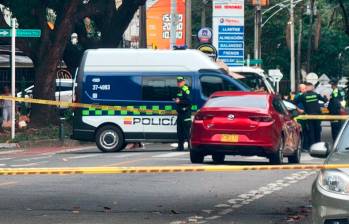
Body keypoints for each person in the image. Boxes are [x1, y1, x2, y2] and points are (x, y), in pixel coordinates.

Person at [295, 82, 327, 149]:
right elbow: (325, 100)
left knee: (311, 132)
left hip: (309, 117)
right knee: (317, 131)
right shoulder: (316, 94)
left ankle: (312, 147)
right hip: (317, 116)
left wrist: (298, 110)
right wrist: (325, 96)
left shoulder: (303, 96)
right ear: (312, 87)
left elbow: (294, 102)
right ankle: (319, 146)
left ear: (306, 88)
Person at [174, 76, 192, 151]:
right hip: (180, 114)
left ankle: (189, 146)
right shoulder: (179, 90)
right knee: (179, 131)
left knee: (186, 131)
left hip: (185, 113)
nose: (179, 83)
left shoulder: (186, 89)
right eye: (178, 82)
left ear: (184, 81)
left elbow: (188, 101)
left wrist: (179, 101)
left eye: (180, 81)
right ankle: (180, 146)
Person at [294, 83, 308, 149]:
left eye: (305, 88)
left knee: (306, 131)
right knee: (299, 132)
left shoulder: (307, 95)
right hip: (299, 115)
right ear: (300, 89)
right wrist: (299, 110)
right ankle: (299, 147)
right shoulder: (297, 96)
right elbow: (294, 104)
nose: (304, 90)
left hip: (306, 115)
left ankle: (305, 147)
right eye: (302, 89)